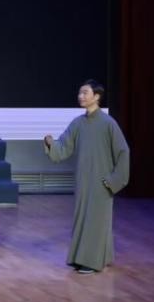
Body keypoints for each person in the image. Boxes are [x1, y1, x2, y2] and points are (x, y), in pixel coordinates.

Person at [43, 79, 130, 273]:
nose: (80, 96)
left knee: (96, 220)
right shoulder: (78, 123)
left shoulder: (108, 124)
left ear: (96, 96)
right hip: (83, 180)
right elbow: (63, 148)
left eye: (85, 93)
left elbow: (123, 152)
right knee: (83, 218)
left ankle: (90, 262)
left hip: (103, 181)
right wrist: (51, 144)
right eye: (80, 93)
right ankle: (90, 257)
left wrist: (114, 180)